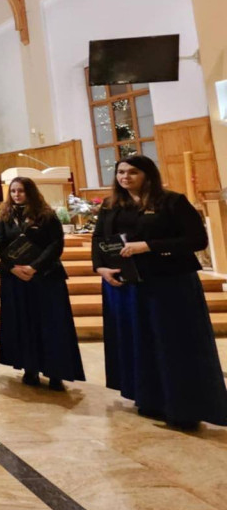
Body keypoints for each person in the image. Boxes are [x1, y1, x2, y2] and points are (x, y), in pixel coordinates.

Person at [94, 155, 227, 429]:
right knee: (140, 342)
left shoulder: (171, 202)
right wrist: (101, 269)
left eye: (132, 172)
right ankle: (150, 398)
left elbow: (196, 239)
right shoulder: (111, 207)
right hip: (128, 286)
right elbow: (99, 240)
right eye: (120, 172)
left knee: (173, 344)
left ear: (147, 175)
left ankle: (184, 406)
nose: (125, 177)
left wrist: (149, 246)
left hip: (169, 284)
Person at [0, 177, 84, 391]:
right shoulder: (5, 216)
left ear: (31, 192)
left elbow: (55, 245)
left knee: (50, 324)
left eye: (22, 191)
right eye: (14, 191)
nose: (17, 195)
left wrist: (34, 267)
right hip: (15, 277)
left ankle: (56, 372)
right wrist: (14, 268)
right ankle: (30, 368)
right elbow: (0, 244)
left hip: (45, 276)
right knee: (23, 323)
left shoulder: (46, 215)